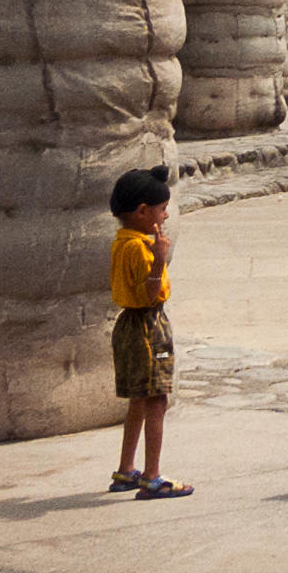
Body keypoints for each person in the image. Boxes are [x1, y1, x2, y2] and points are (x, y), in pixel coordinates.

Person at [106, 165, 189, 498]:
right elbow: (149, 295)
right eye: (162, 209)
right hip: (147, 325)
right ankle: (152, 476)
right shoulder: (141, 248)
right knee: (156, 398)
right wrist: (159, 260)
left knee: (139, 399)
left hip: (129, 325)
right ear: (143, 212)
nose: (166, 216)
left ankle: (126, 469)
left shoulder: (121, 242)